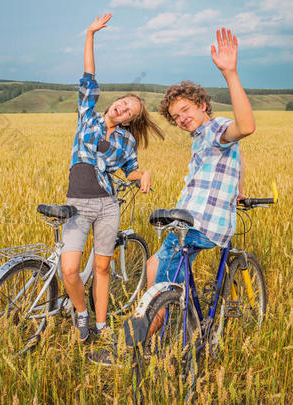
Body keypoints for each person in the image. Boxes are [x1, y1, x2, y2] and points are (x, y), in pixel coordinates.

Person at [62, 13, 164, 345]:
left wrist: (143, 173)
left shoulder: (126, 141)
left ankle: (101, 327)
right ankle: (82, 314)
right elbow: (89, 75)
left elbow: (130, 171)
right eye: (123, 102)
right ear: (113, 104)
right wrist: (90, 33)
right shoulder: (87, 116)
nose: (124, 107)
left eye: (131, 110)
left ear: (130, 121)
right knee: (70, 270)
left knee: (102, 269)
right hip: (77, 203)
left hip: (107, 205)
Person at [145, 27, 255, 333]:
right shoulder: (201, 138)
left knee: (160, 289)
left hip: (199, 225)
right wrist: (239, 191)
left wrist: (230, 73)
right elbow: (238, 155)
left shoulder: (214, 129)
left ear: (202, 105)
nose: (181, 119)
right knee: (153, 267)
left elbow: (245, 127)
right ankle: (184, 326)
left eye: (185, 110)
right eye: (175, 116)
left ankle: (131, 349)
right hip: (193, 222)